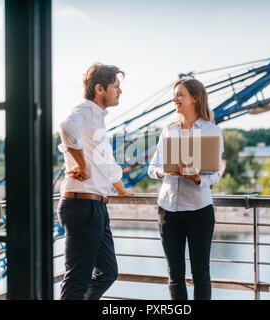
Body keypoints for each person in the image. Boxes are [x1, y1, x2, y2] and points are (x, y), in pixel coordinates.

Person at [57, 63, 134, 300]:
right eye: (116, 87)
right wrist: (81, 165)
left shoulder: (97, 119)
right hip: (82, 206)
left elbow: (106, 161)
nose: (120, 91)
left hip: (97, 206)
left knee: (108, 272)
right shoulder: (86, 111)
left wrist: (121, 190)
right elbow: (66, 127)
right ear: (100, 89)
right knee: (77, 280)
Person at [148, 77, 224, 300]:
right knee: (175, 276)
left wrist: (197, 178)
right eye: (175, 94)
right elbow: (152, 168)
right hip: (168, 211)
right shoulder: (168, 130)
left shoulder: (211, 130)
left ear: (195, 98)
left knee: (201, 274)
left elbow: (216, 174)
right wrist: (165, 171)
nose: (175, 99)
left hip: (199, 211)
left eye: (180, 94)